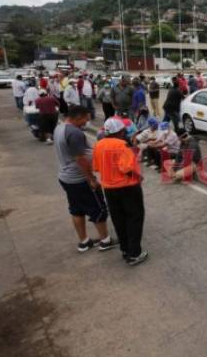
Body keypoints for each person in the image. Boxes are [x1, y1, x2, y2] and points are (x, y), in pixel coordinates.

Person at [53, 105, 116, 252]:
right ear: (77, 117)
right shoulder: (74, 133)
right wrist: (91, 179)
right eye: (85, 119)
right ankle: (105, 241)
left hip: (65, 177)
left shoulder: (59, 128)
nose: (86, 123)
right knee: (98, 209)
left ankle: (84, 242)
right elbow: (80, 159)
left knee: (77, 210)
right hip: (79, 179)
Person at [92, 118, 148, 266]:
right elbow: (126, 169)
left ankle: (125, 249)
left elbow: (97, 168)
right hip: (128, 188)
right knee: (134, 219)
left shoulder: (98, 145)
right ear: (120, 132)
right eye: (123, 131)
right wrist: (139, 177)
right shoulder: (122, 145)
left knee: (119, 219)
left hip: (109, 189)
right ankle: (134, 253)